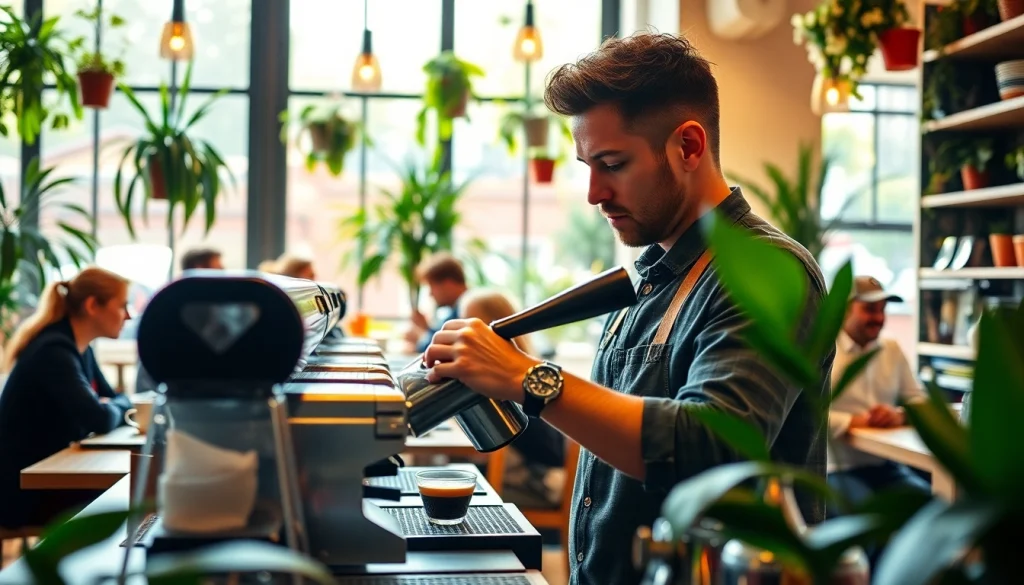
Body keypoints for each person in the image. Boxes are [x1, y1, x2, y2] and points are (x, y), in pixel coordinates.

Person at [420, 32, 832, 585]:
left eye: (612, 164)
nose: (593, 192)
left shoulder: (766, 271)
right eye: (587, 165)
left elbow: (712, 444)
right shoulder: (651, 275)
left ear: (688, 146)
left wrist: (531, 379)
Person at [0, 267, 134, 529]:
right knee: (125, 499)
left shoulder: (80, 348)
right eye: (122, 306)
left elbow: (115, 401)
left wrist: (112, 406)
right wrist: (111, 407)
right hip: (23, 495)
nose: (128, 316)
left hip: (50, 480)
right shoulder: (53, 351)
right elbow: (100, 418)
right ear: (93, 305)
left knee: (129, 491)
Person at [827, 276, 930, 511]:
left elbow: (919, 399)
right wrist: (852, 421)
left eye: (883, 310)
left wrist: (899, 415)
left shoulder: (891, 349)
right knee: (873, 522)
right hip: (835, 469)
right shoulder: (824, 352)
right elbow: (808, 413)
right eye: (870, 309)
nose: (880, 318)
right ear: (844, 310)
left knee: (931, 510)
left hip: (887, 466)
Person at [458, 289, 566, 509]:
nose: (463, 333)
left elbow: (551, 451)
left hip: (534, 485)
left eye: (470, 324)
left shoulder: (525, 382)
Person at [135, 248, 225, 394]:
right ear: (199, 269)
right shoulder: (168, 308)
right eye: (219, 270)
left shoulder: (221, 310)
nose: (224, 275)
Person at [404, 253, 468, 353]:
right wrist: (425, 328)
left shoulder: (468, 308)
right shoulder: (456, 308)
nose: (430, 294)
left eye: (431, 287)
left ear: (448, 284)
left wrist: (421, 336)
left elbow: (442, 348)